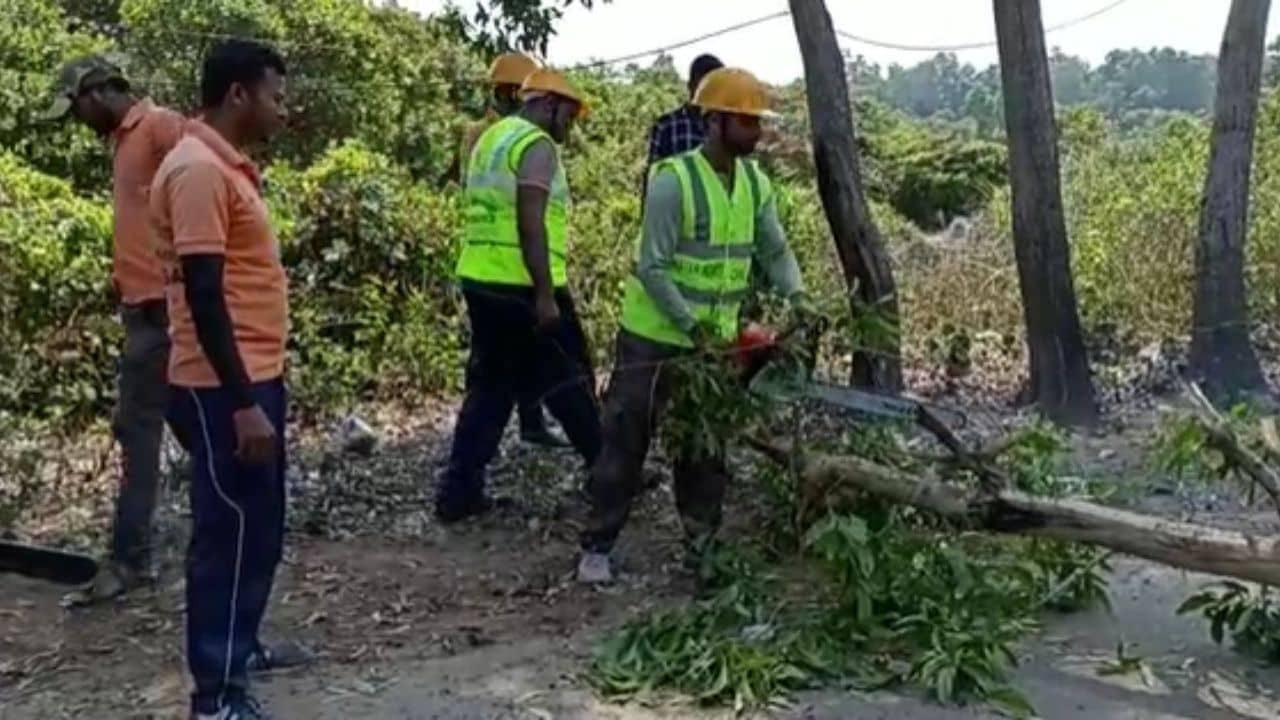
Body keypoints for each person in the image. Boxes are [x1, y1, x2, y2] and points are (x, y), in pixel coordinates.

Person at [578, 67, 811, 584]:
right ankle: (597, 545)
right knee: (626, 440)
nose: (757, 132)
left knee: (704, 450)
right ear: (715, 121)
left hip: (711, 345)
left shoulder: (755, 184)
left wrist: (798, 298)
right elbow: (652, 266)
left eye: (757, 122)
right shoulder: (673, 181)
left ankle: (702, 547)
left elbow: (774, 249)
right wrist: (691, 326)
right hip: (654, 338)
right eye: (747, 122)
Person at [150, 39, 309, 720]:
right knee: (229, 535)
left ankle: (240, 650)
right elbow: (205, 294)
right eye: (274, 95)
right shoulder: (197, 171)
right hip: (221, 388)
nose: (281, 109)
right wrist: (244, 404)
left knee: (258, 530)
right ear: (238, 94)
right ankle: (215, 696)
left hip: (249, 378)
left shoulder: (224, 167)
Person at [42, 55, 191, 605]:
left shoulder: (160, 128)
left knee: (138, 429)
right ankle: (210, 533)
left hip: (164, 311)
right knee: (187, 427)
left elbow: (204, 196)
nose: (78, 121)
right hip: (142, 309)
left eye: (77, 107)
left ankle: (131, 561)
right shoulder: (124, 142)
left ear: (100, 92)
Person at [437, 67, 603, 524]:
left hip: (481, 278)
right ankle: (608, 472)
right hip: (524, 286)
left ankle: (458, 491)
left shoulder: (492, 138)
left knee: (490, 389)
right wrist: (545, 295)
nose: (570, 126)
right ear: (548, 104)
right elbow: (530, 222)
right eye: (568, 115)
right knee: (569, 379)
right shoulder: (536, 144)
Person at [445, 51, 569, 449]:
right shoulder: (517, 137)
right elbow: (524, 214)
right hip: (512, 268)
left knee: (501, 370)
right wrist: (545, 288)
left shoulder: (488, 135)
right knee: (531, 369)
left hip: (485, 264)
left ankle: (523, 428)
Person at [644, 53, 724, 172]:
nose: (710, 94)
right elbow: (654, 175)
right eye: (704, 88)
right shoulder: (666, 126)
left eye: (716, 88)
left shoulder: (728, 128)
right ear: (690, 86)